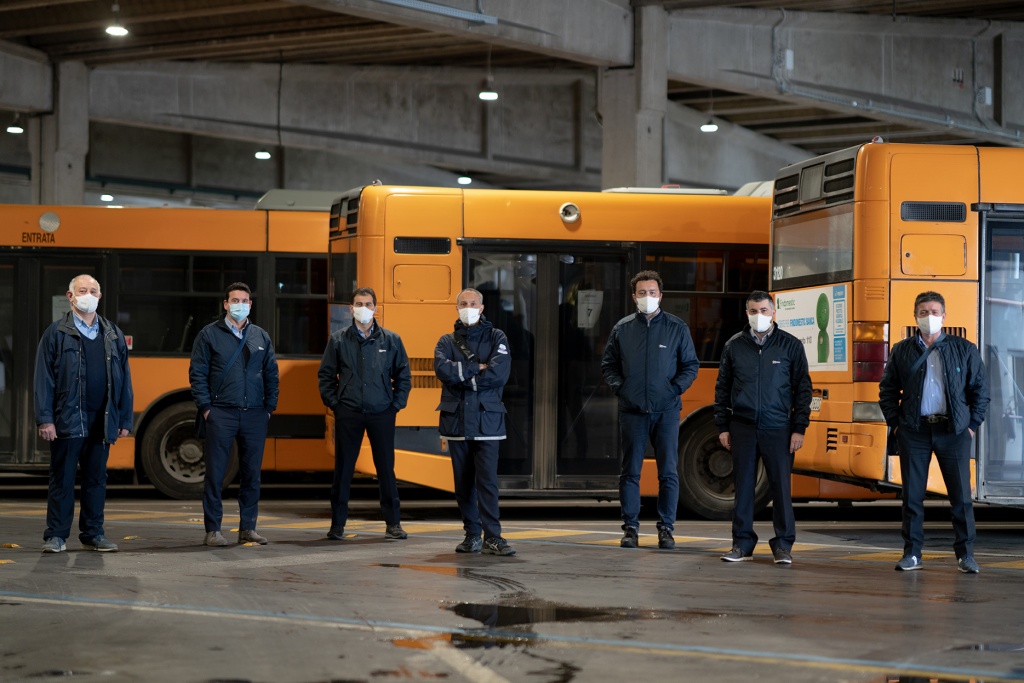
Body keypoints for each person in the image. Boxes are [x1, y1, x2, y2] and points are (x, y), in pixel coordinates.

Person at [878, 291, 989, 573]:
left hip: (953, 432)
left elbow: (981, 391)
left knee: (961, 498)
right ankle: (912, 553)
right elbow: (887, 390)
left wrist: (971, 427)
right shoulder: (902, 350)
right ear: (915, 315)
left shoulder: (964, 349)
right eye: (924, 312)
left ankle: (966, 555)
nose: (929, 317)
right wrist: (897, 424)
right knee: (912, 497)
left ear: (944, 316)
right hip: (914, 431)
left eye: (934, 311)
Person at [601, 270, 699, 550]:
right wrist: (622, 388)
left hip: (666, 411)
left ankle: (666, 529)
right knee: (630, 472)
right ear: (634, 297)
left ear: (661, 296)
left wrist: (673, 389)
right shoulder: (622, 329)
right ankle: (630, 528)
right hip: (632, 411)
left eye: (652, 292)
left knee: (668, 472)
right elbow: (609, 365)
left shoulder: (677, 328)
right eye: (642, 293)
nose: (647, 297)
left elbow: (690, 365)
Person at [35, 275, 134, 554]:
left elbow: (124, 379)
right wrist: (45, 419)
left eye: (93, 291)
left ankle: (93, 534)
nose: (87, 295)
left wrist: (125, 418)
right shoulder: (56, 333)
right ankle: (55, 536)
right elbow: (44, 379)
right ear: (70, 296)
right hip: (67, 418)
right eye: (82, 290)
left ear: (100, 297)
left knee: (96, 479)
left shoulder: (112, 333)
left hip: (102, 419)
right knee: (63, 479)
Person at [714, 290, 811, 565]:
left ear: (774, 312)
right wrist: (723, 426)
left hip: (779, 428)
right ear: (747, 313)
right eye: (754, 311)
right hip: (742, 428)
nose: (759, 316)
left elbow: (803, 389)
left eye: (764, 311)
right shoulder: (734, 346)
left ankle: (783, 546)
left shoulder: (790, 345)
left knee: (781, 488)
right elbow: (722, 388)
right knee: (743, 488)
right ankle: (742, 545)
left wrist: (799, 428)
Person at [318, 287, 412, 541]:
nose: (363, 308)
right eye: (359, 303)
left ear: (376, 308)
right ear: (351, 309)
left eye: (368, 303)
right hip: (348, 412)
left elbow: (404, 376)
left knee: (386, 471)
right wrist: (336, 405)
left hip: (382, 413)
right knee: (343, 470)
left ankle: (393, 524)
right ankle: (337, 525)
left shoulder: (391, 340)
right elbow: (325, 376)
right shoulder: (338, 340)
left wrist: (395, 406)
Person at [189, 282, 279, 547]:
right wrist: (207, 409)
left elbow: (271, 373)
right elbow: (198, 374)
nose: (240, 304)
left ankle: (247, 528)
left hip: (255, 415)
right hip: (221, 413)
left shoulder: (260, 336)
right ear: (226, 305)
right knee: (215, 474)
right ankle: (213, 530)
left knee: (252, 474)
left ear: (250, 304)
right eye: (234, 300)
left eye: (245, 300)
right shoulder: (208, 335)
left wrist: (269, 408)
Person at [434, 288, 515, 556]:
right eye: (463, 303)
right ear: (456, 308)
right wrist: (477, 368)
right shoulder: (446, 341)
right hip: (457, 424)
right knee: (464, 484)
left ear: (482, 308)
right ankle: (472, 535)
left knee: (488, 483)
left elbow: (498, 374)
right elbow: (442, 370)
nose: (468, 307)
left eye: (473, 303)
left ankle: (494, 537)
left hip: (487, 423)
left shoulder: (497, 337)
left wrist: (463, 376)